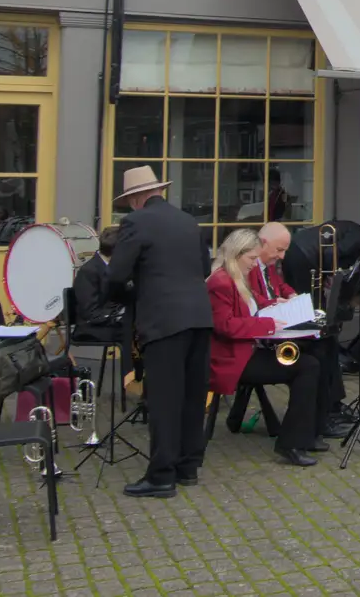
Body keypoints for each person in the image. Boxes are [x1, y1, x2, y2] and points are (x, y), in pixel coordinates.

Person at [107, 165, 214, 498]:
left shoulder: (135, 222)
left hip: (164, 321)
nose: (129, 207)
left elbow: (115, 275)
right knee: (193, 395)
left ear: (136, 197)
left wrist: (130, 296)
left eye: (129, 202)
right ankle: (188, 466)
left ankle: (161, 476)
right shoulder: (188, 221)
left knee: (165, 400)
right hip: (199, 316)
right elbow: (205, 268)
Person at [207, 229, 328, 467]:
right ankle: (292, 442)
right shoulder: (220, 282)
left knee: (312, 360)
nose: (254, 265)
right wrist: (269, 324)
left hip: (247, 351)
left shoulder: (234, 275)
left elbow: (254, 301)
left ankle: (304, 435)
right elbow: (225, 326)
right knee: (307, 366)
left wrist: (276, 305)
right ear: (236, 254)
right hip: (233, 359)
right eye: (251, 259)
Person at [250, 221, 347, 436]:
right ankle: (320, 417)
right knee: (318, 352)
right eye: (279, 250)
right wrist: (275, 302)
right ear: (263, 243)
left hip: (275, 326)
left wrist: (292, 295)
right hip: (264, 336)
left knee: (328, 341)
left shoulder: (266, 265)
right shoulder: (250, 265)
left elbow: (279, 285)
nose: (283, 256)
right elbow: (250, 299)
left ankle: (330, 408)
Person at [74, 225, 126, 332]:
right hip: (92, 327)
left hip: (112, 319)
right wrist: (117, 317)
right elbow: (90, 312)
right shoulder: (88, 271)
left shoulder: (117, 267)